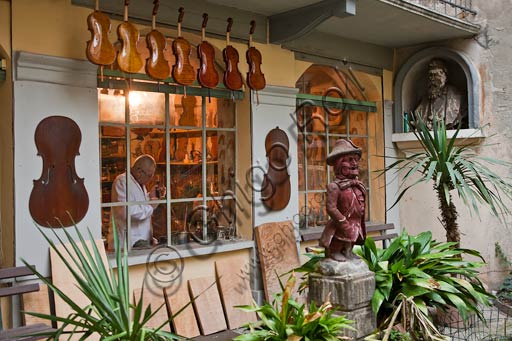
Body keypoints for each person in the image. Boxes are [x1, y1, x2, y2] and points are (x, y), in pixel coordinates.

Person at [319, 139, 366, 262]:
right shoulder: (335, 187)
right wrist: (343, 221)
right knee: (341, 236)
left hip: (354, 221)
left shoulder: (356, 185)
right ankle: (334, 251)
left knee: (352, 235)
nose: (354, 163)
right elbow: (331, 208)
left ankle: (348, 251)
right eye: (350, 160)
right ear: (340, 164)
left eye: (356, 160)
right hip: (340, 224)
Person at [109, 154, 166, 249]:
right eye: (149, 175)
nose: (150, 179)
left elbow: (138, 202)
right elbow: (128, 212)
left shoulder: (139, 182)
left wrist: (150, 196)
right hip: (128, 244)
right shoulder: (122, 182)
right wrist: (151, 206)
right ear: (139, 172)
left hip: (141, 242)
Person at [414, 59, 467, 129]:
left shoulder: (457, 97)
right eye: (430, 75)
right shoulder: (423, 102)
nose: (432, 79)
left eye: (436, 75)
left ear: (445, 77)